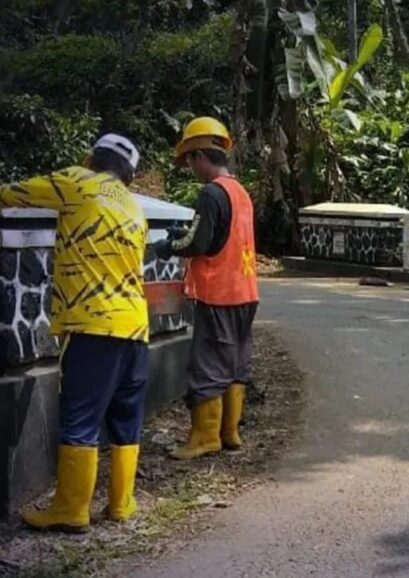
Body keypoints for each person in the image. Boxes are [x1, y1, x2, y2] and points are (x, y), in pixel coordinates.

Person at [0, 135, 149, 532]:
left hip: (94, 322)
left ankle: (71, 508)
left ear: (92, 158)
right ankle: (122, 503)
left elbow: (13, 195)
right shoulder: (135, 208)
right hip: (137, 325)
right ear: (129, 174)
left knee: (80, 415)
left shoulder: (77, 182)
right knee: (125, 417)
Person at [152, 117, 259, 460]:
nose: (190, 169)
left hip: (218, 293)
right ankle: (230, 432)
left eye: (189, 161)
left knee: (208, 362)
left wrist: (170, 245)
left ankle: (204, 437)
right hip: (245, 291)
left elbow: (198, 242)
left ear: (200, 155)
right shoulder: (240, 192)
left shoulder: (211, 194)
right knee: (235, 361)